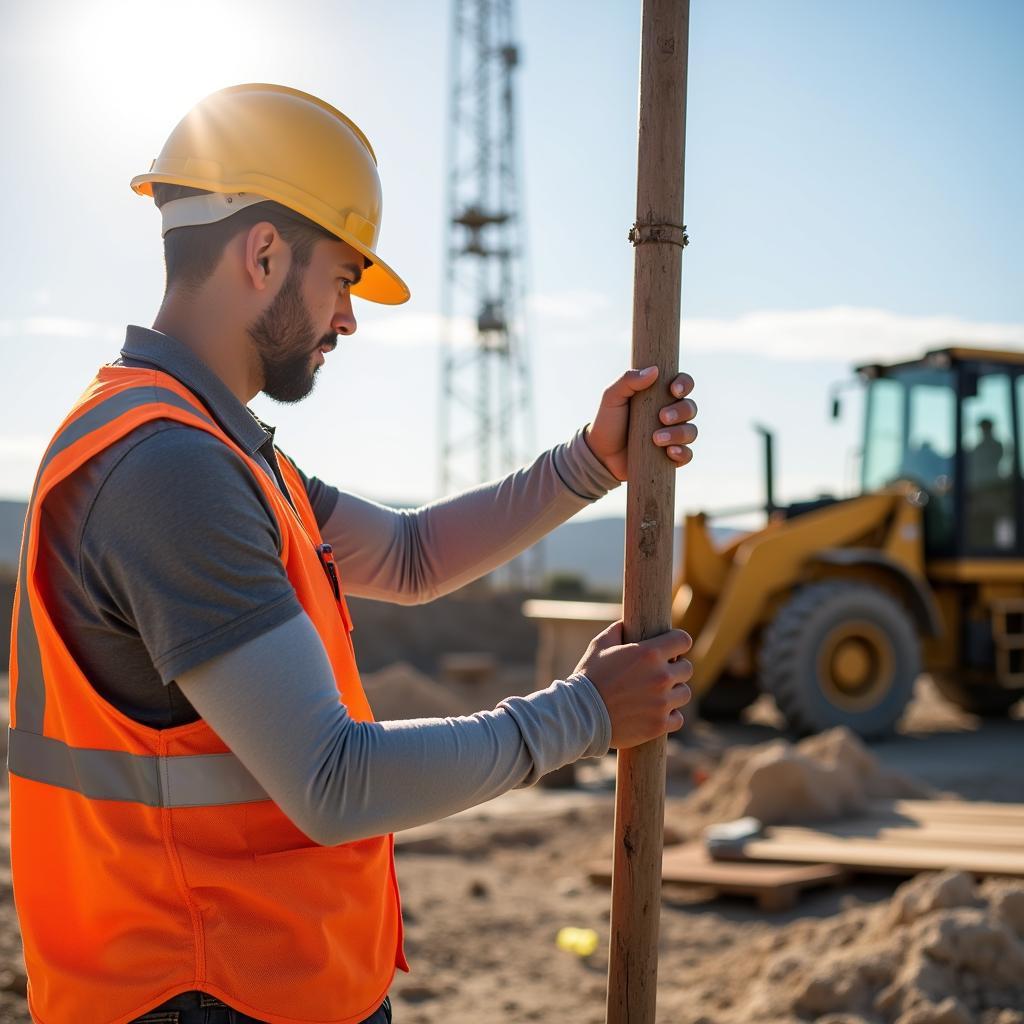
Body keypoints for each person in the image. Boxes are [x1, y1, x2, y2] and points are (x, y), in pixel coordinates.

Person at [8, 84, 699, 1024]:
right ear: (262, 255)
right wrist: (582, 716)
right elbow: (334, 782)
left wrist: (588, 462)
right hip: (202, 990)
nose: (349, 317)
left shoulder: (218, 449)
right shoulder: (170, 469)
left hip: (250, 978)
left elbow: (411, 557)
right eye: (341, 277)